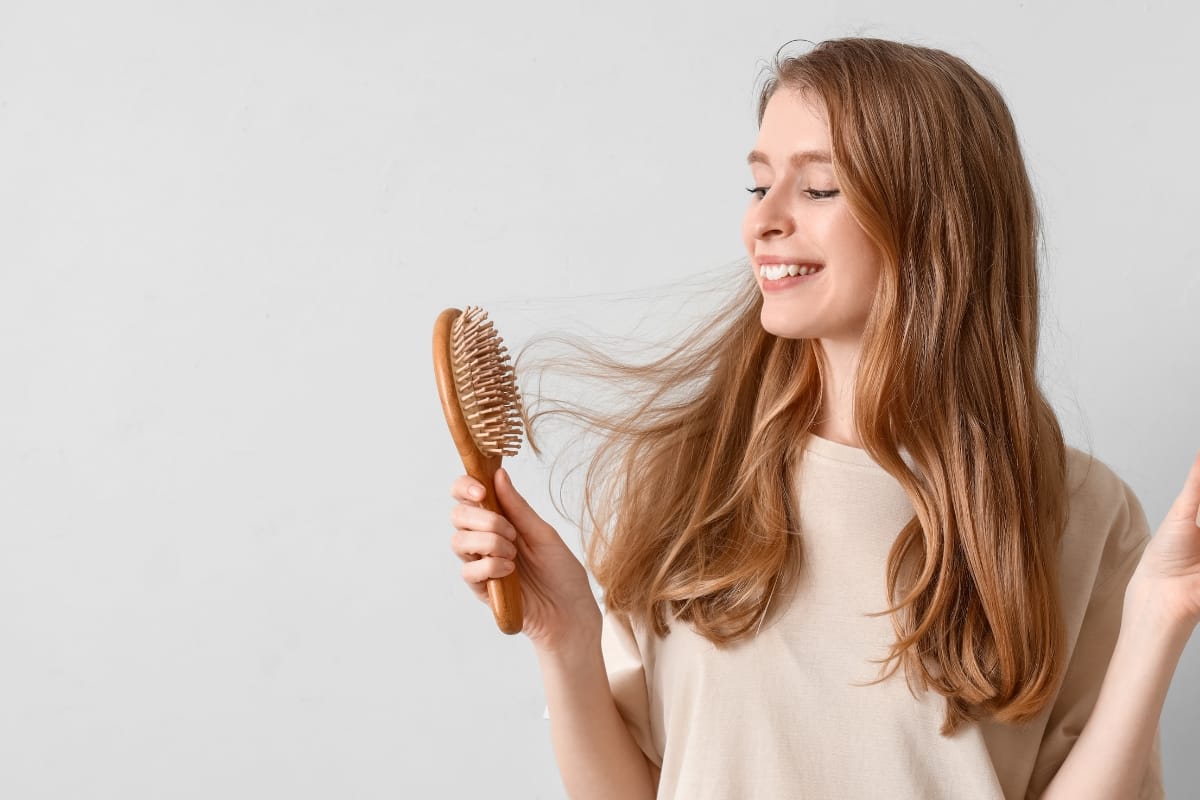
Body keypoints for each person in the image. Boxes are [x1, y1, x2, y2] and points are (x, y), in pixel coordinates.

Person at [445, 37, 1199, 799]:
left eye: (819, 189)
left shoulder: (1081, 512)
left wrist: (1161, 619)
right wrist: (566, 640)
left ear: (935, 221)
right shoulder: (685, 480)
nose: (763, 223)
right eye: (759, 186)